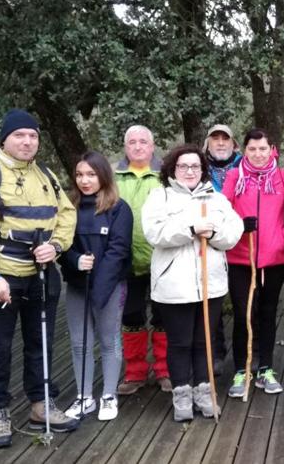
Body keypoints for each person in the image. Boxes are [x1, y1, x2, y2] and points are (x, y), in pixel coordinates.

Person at [0, 108, 79, 447]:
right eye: (19, 135)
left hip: (41, 275)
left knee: (40, 342)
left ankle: (41, 406)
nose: (27, 141)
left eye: (33, 135)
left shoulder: (46, 176)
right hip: (3, 277)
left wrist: (55, 245)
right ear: (5, 139)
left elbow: (67, 214)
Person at [142, 144, 243, 421]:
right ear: (173, 169)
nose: (190, 171)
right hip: (174, 286)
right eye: (183, 166)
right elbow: (154, 233)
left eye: (195, 166)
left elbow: (234, 231)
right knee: (180, 342)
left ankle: (204, 391)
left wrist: (212, 233)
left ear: (203, 169)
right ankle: (182, 394)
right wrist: (189, 230)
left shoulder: (216, 199)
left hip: (211, 284)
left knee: (204, 341)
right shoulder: (159, 197)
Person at [59, 151, 133, 421]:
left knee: (109, 340)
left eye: (91, 174)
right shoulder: (69, 207)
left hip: (108, 287)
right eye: (79, 175)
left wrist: (100, 290)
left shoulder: (118, 208)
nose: (85, 180)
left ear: (103, 176)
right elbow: (61, 244)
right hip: (78, 285)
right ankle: (84, 396)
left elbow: (118, 251)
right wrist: (75, 261)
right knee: (80, 343)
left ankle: (109, 395)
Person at [222, 128, 284, 397]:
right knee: (243, 314)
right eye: (252, 149)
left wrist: (282, 238)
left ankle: (266, 368)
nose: (258, 154)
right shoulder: (234, 176)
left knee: (267, 312)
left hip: (274, 258)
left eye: (263, 149)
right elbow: (223, 212)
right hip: (241, 257)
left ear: (271, 149)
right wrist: (239, 226)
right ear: (245, 150)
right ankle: (242, 370)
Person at [114, 125, 170, 394]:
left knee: (163, 316)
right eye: (132, 142)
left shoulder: (166, 175)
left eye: (143, 142)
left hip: (162, 259)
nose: (138, 147)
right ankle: (135, 372)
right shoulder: (113, 177)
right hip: (126, 261)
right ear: (125, 146)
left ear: (152, 145)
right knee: (131, 315)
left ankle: (164, 370)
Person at [203, 123, 242, 370]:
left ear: (233, 144)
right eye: (214, 139)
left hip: (238, 242)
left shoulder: (244, 167)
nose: (220, 143)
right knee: (211, 298)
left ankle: (246, 354)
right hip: (208, 243)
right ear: (207, 144)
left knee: (241, 300)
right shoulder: (197, 169)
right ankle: (215, 353)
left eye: (224, 139)